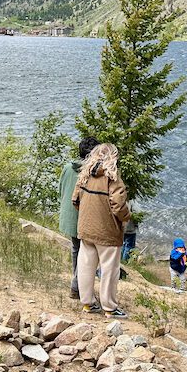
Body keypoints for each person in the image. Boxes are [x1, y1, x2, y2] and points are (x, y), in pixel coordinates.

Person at [73, 142, 130, 318]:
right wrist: (126, 218)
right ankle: (110, 307)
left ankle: (88, 304)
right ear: (112, 157)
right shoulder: (113, 178)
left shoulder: (84, 175)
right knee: (109, 270)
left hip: (86, 228)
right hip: (107, 231)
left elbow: (75, 200)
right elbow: (118, 206)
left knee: (85, 266)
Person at [58, 136, 99, 300]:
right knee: (88, 254)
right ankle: (78, 286)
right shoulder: (91, 173)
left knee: (77, 250)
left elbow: (61, 189)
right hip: (85, 219)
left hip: (69, 217)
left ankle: (77, 286)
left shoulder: (68, 168)